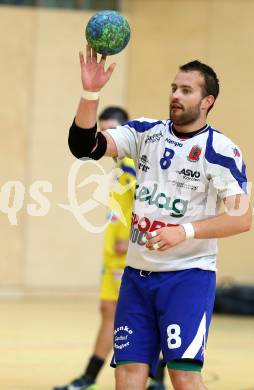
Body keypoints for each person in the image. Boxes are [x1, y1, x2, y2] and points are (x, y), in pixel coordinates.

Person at [68, 45, 252, 390]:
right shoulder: (145, 132)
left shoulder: (221, 151)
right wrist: (90, 92)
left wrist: (182, 231)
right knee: (128, 374)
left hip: (187, 277)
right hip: (137, 278)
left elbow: (241, 218)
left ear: (207, 100)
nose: (176, 95)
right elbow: (84, 146)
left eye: (186, 90)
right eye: (173, 88)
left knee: (182, 375)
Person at [54, 106, 166, 390]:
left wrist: (131, 236)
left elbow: (149, 204)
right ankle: (94, 376)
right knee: (109, 311)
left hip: (129, 252)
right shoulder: (119, 167)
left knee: (144, 314)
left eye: (109, 130)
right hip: (113, 256)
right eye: (100, 130)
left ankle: (152, 377)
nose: (104, 136)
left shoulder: (133, 165)